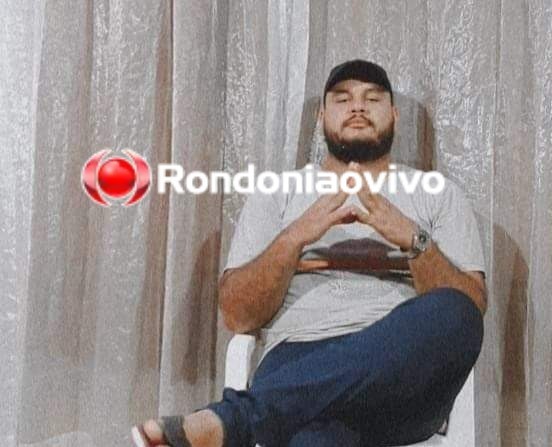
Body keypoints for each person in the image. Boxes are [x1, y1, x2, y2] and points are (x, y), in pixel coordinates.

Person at [132, 59, 487, 447]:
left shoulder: (438, 194)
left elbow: (470, 310)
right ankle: (255, 415)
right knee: (313, 438)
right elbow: (238, 314)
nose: (357, 107)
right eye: (342, 99)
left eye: (372, 98)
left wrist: (414, 240)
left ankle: (235, 420)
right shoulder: (278, 192)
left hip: (399, 376)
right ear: (321, 116)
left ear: (395, 116)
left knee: (456, 310)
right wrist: (294, 238)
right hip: (299, 355)